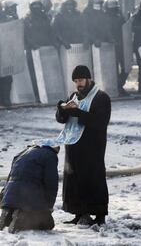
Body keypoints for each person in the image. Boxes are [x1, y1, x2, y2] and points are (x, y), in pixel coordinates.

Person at [56, 65, 111, 226]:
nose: (78, 84)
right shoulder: (74, 96)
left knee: (94, 179)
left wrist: (77, 113)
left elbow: (100, 122)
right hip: (73, 146)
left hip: (92, 147)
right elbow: (62, 119)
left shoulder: (101, 97)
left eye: (80, 80)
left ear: (88, 79)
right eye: (75, 81)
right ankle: (79, 213)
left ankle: (100, 215)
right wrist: (62, 109)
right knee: (74, 181)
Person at [0, 145, 59, 233]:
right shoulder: (50, 155)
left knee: (18, 186)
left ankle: (7, 213)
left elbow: (9, 180)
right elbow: (51, 183)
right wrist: (49, 206)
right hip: (28, 197)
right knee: (48, 223)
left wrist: (3, 201)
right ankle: (20, 220)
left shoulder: (22, 153)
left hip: (9, 196)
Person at [24, 0, 57, 102]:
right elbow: (25, 35)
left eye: (38, 6)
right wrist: (32, 44)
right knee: (34, 73)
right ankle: (37, 95)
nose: (36, 8)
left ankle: (49, 94)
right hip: (33, 50)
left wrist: (53, 43)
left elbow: (51, 31)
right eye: (34, 6)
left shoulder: (45, 18)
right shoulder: (27, 19)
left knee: (48, 72)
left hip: (45, 49)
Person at [104, 0, 128, 96]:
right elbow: (106, 30)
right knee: (113, 67)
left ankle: (120, 84)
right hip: (110, 46)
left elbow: (125, 27)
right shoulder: (104, 18)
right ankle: (116, 87)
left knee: (126, 67)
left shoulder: (120, 17)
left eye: (115, 8)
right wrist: (111, 39)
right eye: (111, 8)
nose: (113, 10)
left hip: (122, 44)